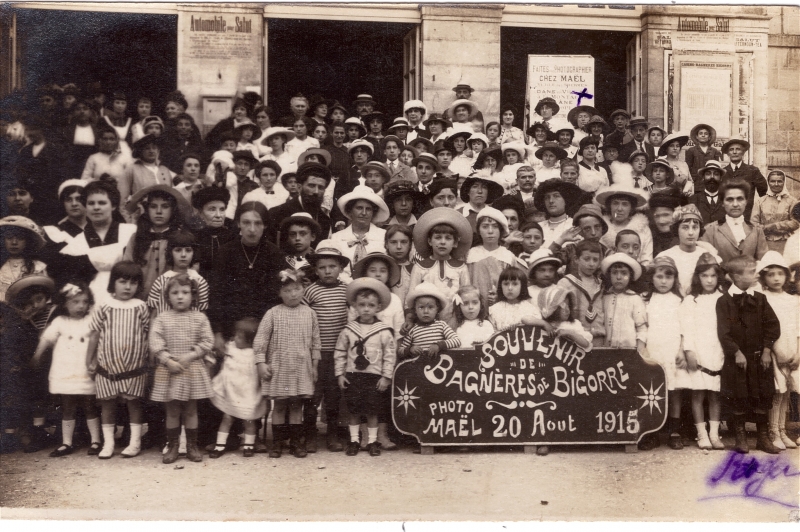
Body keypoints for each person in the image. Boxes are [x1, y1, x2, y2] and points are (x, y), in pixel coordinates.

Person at [716, 255, 781, 454]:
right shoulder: (724, 301)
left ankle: (762, 437)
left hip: (759, 359)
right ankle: (740, 436)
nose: (755, 275)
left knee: (763, 395)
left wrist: (767, 351)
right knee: (739, 396)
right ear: (735, 276)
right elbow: (723, 332)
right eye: (751, 272)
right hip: (737, 361)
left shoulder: (760, 299)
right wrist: (736, 352)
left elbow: (772, 326)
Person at [87, 260, 150, 459]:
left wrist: (148, 361)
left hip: (135, 366)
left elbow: (147, 335)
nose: (128, 287)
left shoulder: (140, 307)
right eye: (123, 282)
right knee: (108, 404)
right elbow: (95, 334)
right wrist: (89, 360)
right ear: (113, 282)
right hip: (108, 365)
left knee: (134, 403)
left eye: (133, 283)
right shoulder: (104, 305)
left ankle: (134, 443)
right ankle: (108, 443)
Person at [30, 281, 100, 457]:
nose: (81, 306)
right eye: (75, 302)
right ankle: (66, 443)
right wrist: (37, 354)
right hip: (66, 370)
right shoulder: (60, 321)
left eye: (84, 302)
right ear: (64, 304)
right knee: (68, 406)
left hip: (84, 370)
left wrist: (95, 362)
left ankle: (96, 440)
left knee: (89, 405)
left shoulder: (91, 320)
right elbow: (46, 338)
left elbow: (98, 340)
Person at [149, 273, 214, 464]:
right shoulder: (162, 318)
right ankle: (173, 446)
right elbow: (155, 341)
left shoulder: (199, 318)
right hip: (169, 370)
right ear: (167, 296)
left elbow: (207, 340)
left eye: (185, 292)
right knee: (172, 411)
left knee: (191, 410)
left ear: (193, 296)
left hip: (191, 368)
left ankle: (192, 446)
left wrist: (191, 355)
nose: (180, 296)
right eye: (175, 292)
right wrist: (167, 359)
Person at [255, 269, 321, 458]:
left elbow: (316, 341)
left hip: (301, 367)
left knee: (296, 405)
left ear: (303, 289)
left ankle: (295, 442)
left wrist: (315, 366)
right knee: (280, 405)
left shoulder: (309, 313)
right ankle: (277, 443)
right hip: (279, 367)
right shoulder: (273, 313)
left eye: (297, 289)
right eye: (287, 290)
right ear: (279, 293)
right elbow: (261, 340)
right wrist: (261, 363)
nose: (293, 294)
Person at [208, 202, 286, 347]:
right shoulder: (225, 252)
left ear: (265, 225)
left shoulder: (274, 254)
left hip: (266, 329)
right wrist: (217, 333)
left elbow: (276, 299)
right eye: (246, 222)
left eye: (258, 223)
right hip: (230, 330)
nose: (252, 229)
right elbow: (216, 295)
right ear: (238, 223)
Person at [334, 278, 396, 457]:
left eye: (371, 305)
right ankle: (354, 440)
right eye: (362, 305)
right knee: (353, 410)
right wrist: (340, 374)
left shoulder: (383, 330)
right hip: (353, 375)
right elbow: (340, 352)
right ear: (354, 306)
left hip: (374, 377)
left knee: (372, 410)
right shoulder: (348, 330)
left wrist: (386, 377)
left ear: (378, 307)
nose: (366, 309)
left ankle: (372, 441)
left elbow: (389, 355)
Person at [54, 179, 138, 305]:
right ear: (86, 207)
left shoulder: (130, 232)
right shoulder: (77, 243)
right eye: (91, 203)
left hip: (128, 297)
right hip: (91, 301)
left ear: (113, 206)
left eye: (102, 203)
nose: (96, 207)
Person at [676, 253, 727, 451]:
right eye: (704, 276)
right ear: (698, 277)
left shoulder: (723, 299)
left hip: (717, 351)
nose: (709, 280)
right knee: (698, 394)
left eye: (713, 276)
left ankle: (714, 433)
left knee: (715, 394)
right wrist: (689, 351)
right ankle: (701, 434)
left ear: (718, 277)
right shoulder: (691, 300)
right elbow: (686, 328)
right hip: (698, 351)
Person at [303, 242, 350, 452]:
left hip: (339, 353)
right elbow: (304, 318)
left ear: (340, 268)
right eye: (322, 267)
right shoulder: (311, 291)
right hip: (316, 353)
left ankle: (332, 434)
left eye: (332, 266)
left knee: (333, 395)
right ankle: (310, 435)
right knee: (313, 395)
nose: (327, 271)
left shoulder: (347, 290)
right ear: (315, 270)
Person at [757, 252, 799, 450]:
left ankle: (782, 429)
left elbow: (798, 328)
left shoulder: (793, 300)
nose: (776, 278)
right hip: (774, 351)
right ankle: (773, 430)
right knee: (776, 391)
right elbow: (764, 327)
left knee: (786, 392)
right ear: (764, 278)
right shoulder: (762, 298)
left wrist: (798, 353)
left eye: (780, 274)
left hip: (791, 349)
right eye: (771, 274)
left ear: (786, 276)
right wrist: (773, 350)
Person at [209, 317, 267, 458]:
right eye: (235, 335)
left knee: (249, 420)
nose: (235, 338)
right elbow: (220, 352)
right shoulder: (231, 348)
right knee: (227, 417)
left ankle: (249, 445)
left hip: (247, 393)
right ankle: (220, 444)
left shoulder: (254, 355)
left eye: (239, 337)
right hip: (231, 392)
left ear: (250, 341)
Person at [642, 255, 685, 449]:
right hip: (654, 350)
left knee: (674, 391)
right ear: (652, 278)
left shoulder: (680, 300)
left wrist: (682, 350)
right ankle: (652, 432)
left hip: (673, 350)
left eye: (668, 277)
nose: (664, 281)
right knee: (653, 391)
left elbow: (686, 328)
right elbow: (642, 325)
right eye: (659, 276)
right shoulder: (646, 299)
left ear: (675, 279)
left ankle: (674, 431)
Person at [410, 207, 473, 330]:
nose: (443, 242)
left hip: (455, 322)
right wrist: (410, 318)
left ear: (455, 243)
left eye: (448, 238)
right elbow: (412, 296)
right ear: (429, 241)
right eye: (438, 237)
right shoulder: (420, 267)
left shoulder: (461, 268)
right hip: (426, 323)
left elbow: (466, 295)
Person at [122, 185, 190, 297]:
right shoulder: (136, 238)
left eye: (165, 206)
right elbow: (126, 269)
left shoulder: (179, 239)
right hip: (140, 299)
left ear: (173, 210)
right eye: (153, 206)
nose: (159, 211)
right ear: (147, 209)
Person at [656, 204, 721, 297]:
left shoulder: (708, 256)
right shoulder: (665, 256)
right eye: (685, 227)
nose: (691, 232)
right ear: (676, 230)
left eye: (695, 227)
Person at [700, 179, 768, 264]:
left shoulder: (756, 230)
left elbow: (763, 262)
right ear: (722, 203)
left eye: (740, 199)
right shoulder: (710, 230)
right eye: (730, 199)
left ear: (746, 201)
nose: (735, 204)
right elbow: (707, 265)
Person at [146, 230, 209, 317]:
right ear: (170, 253)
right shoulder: (160, 281)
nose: (183, 255)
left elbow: (203, 315)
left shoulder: (200, 282)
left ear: (194, 253)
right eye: (178, 250)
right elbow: (153, 315)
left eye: (188, 250)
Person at [330, 184, 390, 275]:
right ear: (350, 210)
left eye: (368, 209)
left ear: (373, 212)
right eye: (359, 208)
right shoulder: (336, 238)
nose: (364, 213)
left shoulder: (384, 236)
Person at [267, 162, 332, 244]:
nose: (316, 191)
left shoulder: (324, 220)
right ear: (299, 187)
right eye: (311, 186)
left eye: (321, 187)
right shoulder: (277, 213)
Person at [557, 239, 606, 347]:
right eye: (587, 259)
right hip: (575, 339)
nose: (591, 264)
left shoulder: (601, 285)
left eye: (595, 260)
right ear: (576, 259)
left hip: (599, 338)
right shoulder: (566, 283)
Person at [399, 280, 461, 362]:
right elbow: (400, 351)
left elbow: (457, 341)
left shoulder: (441, 325)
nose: (426, 311)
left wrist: (439, 345)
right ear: (415, 310)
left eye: (430, 307)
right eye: (421, 307)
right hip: (418, 368)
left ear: (437, 309)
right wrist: (410, 349)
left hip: (440, 367)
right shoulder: (413, 330)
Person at [467, 207, 517, 306]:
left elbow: (515, 285)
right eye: (485, 226)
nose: (490, 231)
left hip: (502, 306)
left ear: (501, 230)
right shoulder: (471, 255)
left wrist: (500, 296)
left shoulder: (507, 256)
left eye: (495, 227)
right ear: (479, 230)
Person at [596, 184, 653, 268]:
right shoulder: (600, 229)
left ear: (631, 208)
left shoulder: (643, 229)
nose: (619, 209)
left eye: (625, 204)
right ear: (609, 206)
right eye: (615, 203)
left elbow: (647, 261)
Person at [600, 253, 647, 351]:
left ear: (630, 276)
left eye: (624, 273)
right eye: (614, 273)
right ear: (609, 275)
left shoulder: (635, 299)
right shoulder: (604, 297)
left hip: (628, 351)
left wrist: (640, 350)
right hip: (606, 351)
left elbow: (642, 328)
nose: (618, 277)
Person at [0, 216, 48, 303]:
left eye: (20, 238)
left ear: (28, 241)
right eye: (9, 238)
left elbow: (42, 299)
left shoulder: (37, 267)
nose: (14, 242)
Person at [118, 134, 172, 209]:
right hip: (140, 214)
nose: (151, 151)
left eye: (154, 148)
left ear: (158, 150)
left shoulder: (164, 170)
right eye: (147, 148)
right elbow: (122, 199)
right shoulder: (132, 169)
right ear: (140, 151)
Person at [750, 170, 798, 253]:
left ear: (784, 182)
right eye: (772, 181)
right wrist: (764, 229)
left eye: (779, 181)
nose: (776, 184)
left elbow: (795, 222)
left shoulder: (793, 201)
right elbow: (753, 223)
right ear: (768, 182)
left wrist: (773, 226)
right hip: (764, 242)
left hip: (786, 242)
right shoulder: (760, 201)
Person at [191, 187, 234, 279]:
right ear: (200, 213)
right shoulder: (194, 238)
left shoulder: (233, 237)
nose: (218, 215)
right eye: (212, 209)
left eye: (222, 209)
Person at [721, 139, 767, 221]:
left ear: (743, 152)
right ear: (728, 153)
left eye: (738, 149)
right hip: (726, 216)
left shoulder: (753, 171)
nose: (735, 152)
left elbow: (764, 193)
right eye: (731, 149)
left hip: (747, 216)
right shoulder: (722, 172)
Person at [490, 266, 547, 332]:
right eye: (506, 284)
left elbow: (537, 332)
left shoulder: (530, 309)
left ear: (522, 286)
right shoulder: (494, 310)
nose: (510, 288)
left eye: (515, 284)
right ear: (501, 286)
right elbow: (491, 336)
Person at [538, 284, 593, 349]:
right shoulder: (542, 323)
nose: (567, 310)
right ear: (551, 309)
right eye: (562, 307)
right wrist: (545, 324)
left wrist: (570, 333)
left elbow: (586, 344)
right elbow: (525, 319)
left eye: (568, 305)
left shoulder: (573, 324)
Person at [533, 178, 582, 249]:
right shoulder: (538, 227)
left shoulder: (574, 226)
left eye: (556, 196)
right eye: (547, 197)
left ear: (566, 199)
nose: (551, 201)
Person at [648, 188, 685, 258]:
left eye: (666, 215)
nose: (661, 221)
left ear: (676, 214)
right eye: (657, 216)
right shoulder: (650, 238)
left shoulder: (685, 238)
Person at [690, 160, 727, 225]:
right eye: (708, 174)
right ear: (703, 177)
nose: (712, 177)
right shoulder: (693, 200)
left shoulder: (727, 200)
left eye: (716, 174)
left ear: (721, 178)